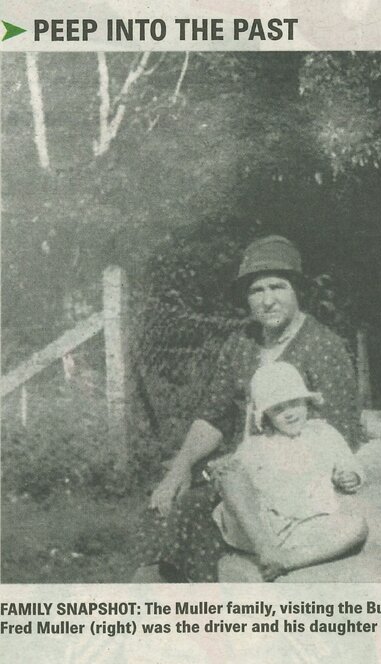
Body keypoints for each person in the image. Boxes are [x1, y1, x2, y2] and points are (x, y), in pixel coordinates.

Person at [145, 235, 362, 582]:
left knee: (194, 513)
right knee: (168, 504)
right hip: (245, 467)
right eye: (256, 291)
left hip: (297, 479)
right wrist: (179, 470)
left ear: (297, 292)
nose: (267, 301)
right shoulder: (240, 344)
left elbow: (340, 434)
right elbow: (212, 415)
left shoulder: (323, 348)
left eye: (278, 287)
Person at [210, 361, 367, 582]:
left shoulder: (324, 434)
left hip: (306, 524)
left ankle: (286, 560)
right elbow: (236, 487)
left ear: (306, 401)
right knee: (230, 475)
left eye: (294, 403)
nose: (289, 414)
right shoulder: (258, 444)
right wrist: (223, 470)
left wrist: (350, 475)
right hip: (259, 527)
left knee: (356, 527)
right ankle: (266, 550)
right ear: (266, 415)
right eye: (278, 409)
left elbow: (348, 462)